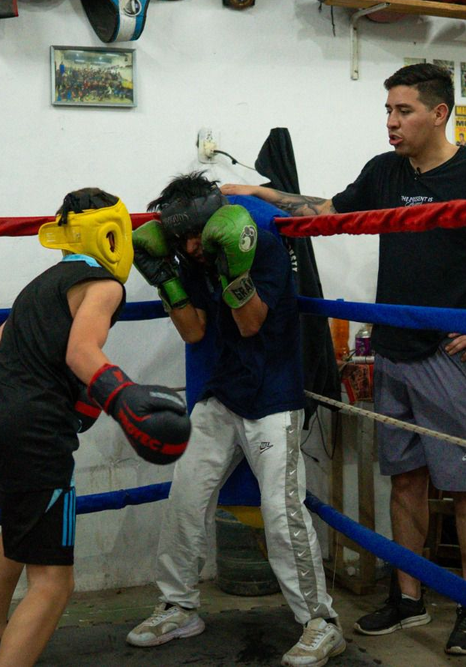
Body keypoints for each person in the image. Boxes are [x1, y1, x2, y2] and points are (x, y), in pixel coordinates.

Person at [222, 62, 466, 657]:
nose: (392, 122)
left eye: (403, 111)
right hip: (393, 349)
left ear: (439, 113)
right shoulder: (385, 172)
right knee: (405, 481)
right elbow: (327, 211)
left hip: (450, 354)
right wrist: (259, 193)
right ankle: (408, 597)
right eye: (388, 111)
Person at [0, 189, 191, 667]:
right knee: (54, 585)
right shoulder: (104, 286)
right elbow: (80, 353)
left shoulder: (39, 285)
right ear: (113, 236)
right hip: (33, 434)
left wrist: (66, 390)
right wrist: (121, 395)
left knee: (17, 527)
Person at [125, 172, 345, 667]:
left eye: (194, 237)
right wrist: (166, 278)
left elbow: (251, 322)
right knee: (185, 495)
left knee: (281, 510)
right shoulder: (190, 252)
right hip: (222, 392)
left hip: (273, 393)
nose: (188, 246)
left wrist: (231, 269)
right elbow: (195, 331)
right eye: (178, 239)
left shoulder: (260, 246)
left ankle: (320, 622)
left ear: (216, 224)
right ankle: (179, 606)